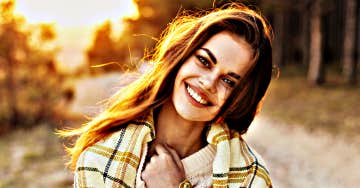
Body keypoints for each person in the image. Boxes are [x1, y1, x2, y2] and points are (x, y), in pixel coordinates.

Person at [60, 3, 274, 188]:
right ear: (181, 56)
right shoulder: (99, 160)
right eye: (204, 61)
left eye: (228, 81)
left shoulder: (251, 179)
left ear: (240, 99)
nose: (208, 83)